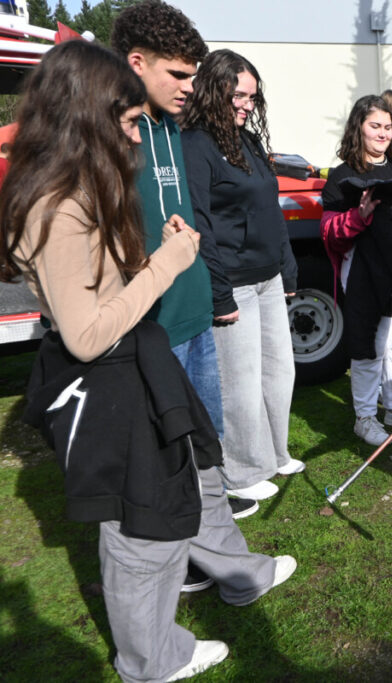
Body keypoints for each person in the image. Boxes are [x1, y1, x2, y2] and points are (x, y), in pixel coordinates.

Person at [0, 40, 294, 683]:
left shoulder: (72, 189)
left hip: (131, 364)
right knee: (141, 532)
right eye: (130, 122)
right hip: (107, 378)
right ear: (89, 115)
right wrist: (166, 264)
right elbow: (85, 332)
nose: (137, 136)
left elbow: (96, 288)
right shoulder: (60, 204)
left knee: (176, 493)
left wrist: (144, 257)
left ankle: (182, 622)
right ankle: (150, 659)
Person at [111, 0, 265, 595]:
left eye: (193, 74)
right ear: (136, 62)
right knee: (161, 455)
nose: (190, 87)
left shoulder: (173, 126)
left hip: (193, 308)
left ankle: (207, 559)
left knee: (204, 445)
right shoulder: (110, 132)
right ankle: (174, 566)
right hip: (150, 324)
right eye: (178, 74)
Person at [180, 50, 302, 500]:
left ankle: (274, 453)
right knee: (240, 384)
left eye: (252, 97)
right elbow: (199, 222)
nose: (247, 105)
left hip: (269, 278)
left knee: (279, 373)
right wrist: (219, 295)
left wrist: (287, 267)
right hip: (232, 281)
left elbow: (269, 207)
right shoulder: (195, 143)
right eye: (238, 95)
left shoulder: (246, 140)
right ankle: (244, 472)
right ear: (214, 91)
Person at [321, 94, 392, 447]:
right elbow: (328, 231)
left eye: (388, 127)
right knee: (370, 346)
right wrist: (359, 217)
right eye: (376, 126)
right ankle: (365, 417)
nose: (384, 133)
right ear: (359, 127)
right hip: (364, 273)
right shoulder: (343, 176)